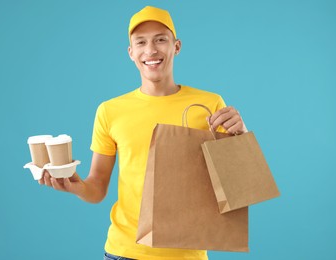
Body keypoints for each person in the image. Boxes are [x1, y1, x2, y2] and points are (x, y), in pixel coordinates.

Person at [39, 6, 247, 260]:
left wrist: (242, 137)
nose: (151, 50)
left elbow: (237, 188)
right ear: (131, 52)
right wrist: (74, 185)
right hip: (123, 252)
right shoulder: (110, 111)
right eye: (141, 42)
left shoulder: (209, 104)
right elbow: (97, 190)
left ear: (176, 47)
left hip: (186, 255)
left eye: (161, 39)